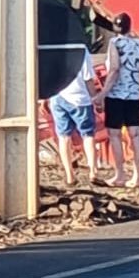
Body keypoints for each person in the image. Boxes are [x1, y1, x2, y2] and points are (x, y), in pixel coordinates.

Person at [94, 12, 139, 188]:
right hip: (134, 94)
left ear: (115, 28)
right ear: (130, 26)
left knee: (114, 135)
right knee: (136, 134)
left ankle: (120, 175)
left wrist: (101, 94)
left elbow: (114, 69)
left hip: (116, 95)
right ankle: (138, 175)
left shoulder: (115, 43)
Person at [49, 46, 100, 187]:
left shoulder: (52, 48)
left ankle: (70, 176)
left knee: (64, 137)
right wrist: (95, 98)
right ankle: (93, 172)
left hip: (58, 96)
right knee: (88, 135)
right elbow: (88, 78)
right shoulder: (82, 50)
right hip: (79, 98)